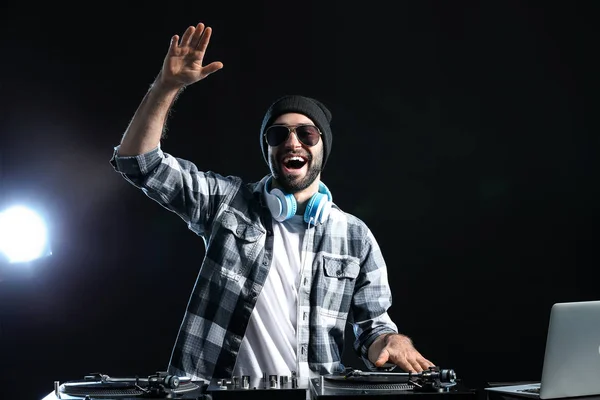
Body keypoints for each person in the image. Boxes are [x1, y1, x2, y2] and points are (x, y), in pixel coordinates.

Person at [110, 22, 434, 384]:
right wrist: (165, 88)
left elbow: (373, 329)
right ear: (267, 149)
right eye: (279, 134)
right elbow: (139, 163)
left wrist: (392, 340)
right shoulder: (228, 203)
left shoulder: (354, 235)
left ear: (322, 147)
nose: (293, 142)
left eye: (307, 133)